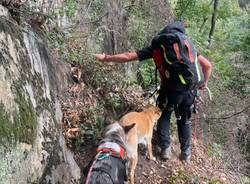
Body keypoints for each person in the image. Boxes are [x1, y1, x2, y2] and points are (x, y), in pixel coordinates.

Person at [94, 21, 212, 163]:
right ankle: (186, 154)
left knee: (164, 115)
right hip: (190, 90)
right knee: (185, 121)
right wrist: (204, 82)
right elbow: (207, 65)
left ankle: (165, 149)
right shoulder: (188, 46)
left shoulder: (158, 47)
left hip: (170, 90)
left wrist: (106, 58)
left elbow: (128, 56)